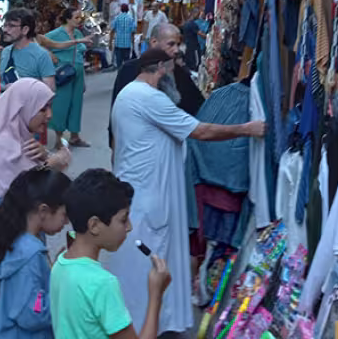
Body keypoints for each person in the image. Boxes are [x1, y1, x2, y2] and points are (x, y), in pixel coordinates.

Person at [108, 49, 266, 335]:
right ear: (160, 68)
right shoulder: (150, 98)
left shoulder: (127, 94)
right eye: (172, 67)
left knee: (139, 266)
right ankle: (145, 326)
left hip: (138, 194)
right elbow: (201, 132)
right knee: (148, 265)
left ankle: (142, 323)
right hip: (150, 199)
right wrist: (248, 129)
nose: (175, 74)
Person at [51, 169, 172, 339]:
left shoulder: (59, 263)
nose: (129, 227)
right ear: (94, 225)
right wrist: (156, 294)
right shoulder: (103, 284)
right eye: (123, 220)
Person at [0, 78, 71, 250]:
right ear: (22, 109)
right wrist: (50, 164)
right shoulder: (0, 150)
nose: (49, 115)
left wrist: (49, 159)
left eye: (49, 107)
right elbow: (21, 208)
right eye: (42, 109)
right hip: (7, 257)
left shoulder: (21, 142)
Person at [0, 168, 72, 339]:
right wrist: (63, 293)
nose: (66, 222)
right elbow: (32, 315)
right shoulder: (30, 255)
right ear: (43, 211)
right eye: (64, 214)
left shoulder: (10, 237)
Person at [109, 23, 205, 149]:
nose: (176, 50)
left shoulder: (180, 73)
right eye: (171, 44)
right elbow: (116, 116)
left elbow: (197, 108)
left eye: (178, 44)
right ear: (154, 42)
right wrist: (114, 147)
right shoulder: (129, 70)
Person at [45, 8, 89, 149]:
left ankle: (74, 136)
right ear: (68, 19)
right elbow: (39, 43)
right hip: (63, 73)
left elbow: (81, 52)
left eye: (79, 18)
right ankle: (59, 138)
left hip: (78, 72)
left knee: (76, 103)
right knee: (61, 104)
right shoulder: (56, 34)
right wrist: (49, 54)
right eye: (76, 18)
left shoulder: (77, 33)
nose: (79, 20)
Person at [0, 8, 57, 91]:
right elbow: (3, 82)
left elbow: (49, 90)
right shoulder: (6, 51)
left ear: (25, 30)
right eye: (5, 25)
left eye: (11, 26)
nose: (5, 30)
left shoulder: (41, 55)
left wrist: (22, 87)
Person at [110, 4, 137, 68]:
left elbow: (112, 31)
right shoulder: (131, 19)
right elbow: (132, 32)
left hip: (118, 43)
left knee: (119, 63)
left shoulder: (117, 18)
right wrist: (133, 44)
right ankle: (126, 76)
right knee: (127, 62)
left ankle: (119, 75)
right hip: (127, 44)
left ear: (121, 9)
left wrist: (110, 43)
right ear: (128, 10)